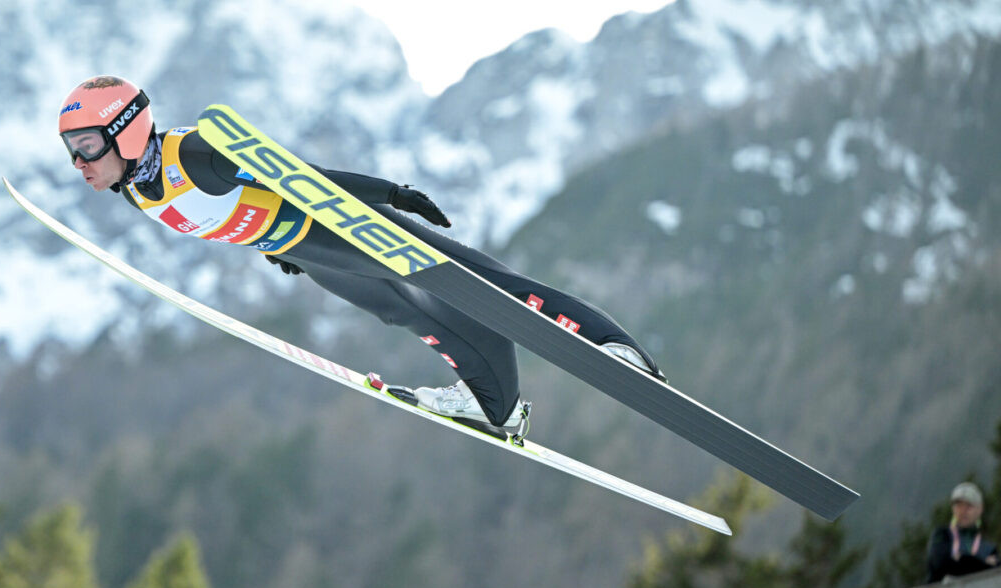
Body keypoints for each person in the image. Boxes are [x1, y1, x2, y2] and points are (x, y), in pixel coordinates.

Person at [57, 74, 664, 436]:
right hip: (306, 251)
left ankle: (611, 346)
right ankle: (496, 406)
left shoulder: (196, 154)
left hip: (337, 223)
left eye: (85, 144)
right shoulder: (136, 191)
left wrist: (389, 195)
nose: (79, 162)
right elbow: (232, 212)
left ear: (126, 128)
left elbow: (299, 176)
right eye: (70, 149)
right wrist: (273, 250)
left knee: (477, 282)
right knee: (414, 312)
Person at [926, 481, 998, 583]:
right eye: (958, 506)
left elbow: (996, 572)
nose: (963, 511)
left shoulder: (989, 548)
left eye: (969, 506)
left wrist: (961, 559)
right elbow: (940, 564)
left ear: (980, 509)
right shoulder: (942, 535)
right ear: (953, 509)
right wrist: (983, 562)